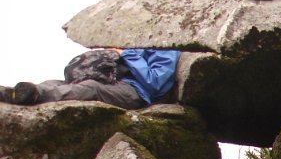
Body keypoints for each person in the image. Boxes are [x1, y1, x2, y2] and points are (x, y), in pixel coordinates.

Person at [0, 48, 180, 109]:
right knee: (59, 83)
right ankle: (16, 92)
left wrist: (126, 54)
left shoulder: (166, 49)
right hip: (112, 80)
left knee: (91, 88)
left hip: (135, 92)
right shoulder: (136, 43)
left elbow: (155, 82)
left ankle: (36, 95)